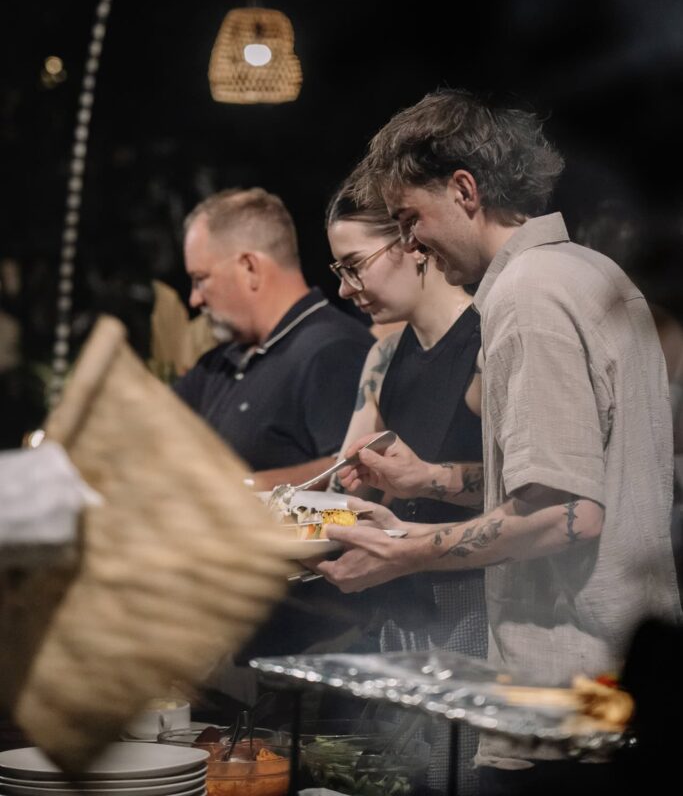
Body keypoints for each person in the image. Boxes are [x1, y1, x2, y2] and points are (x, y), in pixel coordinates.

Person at [314, 89, 682, 795]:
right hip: (612, 680)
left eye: (409, 219)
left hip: (564, 694)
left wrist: (405, 551)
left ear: (464, 190)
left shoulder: (527, 296)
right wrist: (429, 482)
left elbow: (564, 513)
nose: (410, 244)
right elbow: (580, 476)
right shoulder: (589, 271)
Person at [325, 174, 486, 795]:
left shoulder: (487, 340)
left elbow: (523, 488)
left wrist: (424, 479)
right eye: (339, 270)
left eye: (354, 266)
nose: (345, 288)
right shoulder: (385, 356)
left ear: (410, 242)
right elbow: (350, 488)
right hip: (402, 609)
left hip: (473, 610)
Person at [174, 187, 373, 489]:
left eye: (200, 279)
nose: (195, 299)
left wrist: (241, 488)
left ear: (249, 267)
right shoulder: (220, 363)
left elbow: (356, 467)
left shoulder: (334, 351)